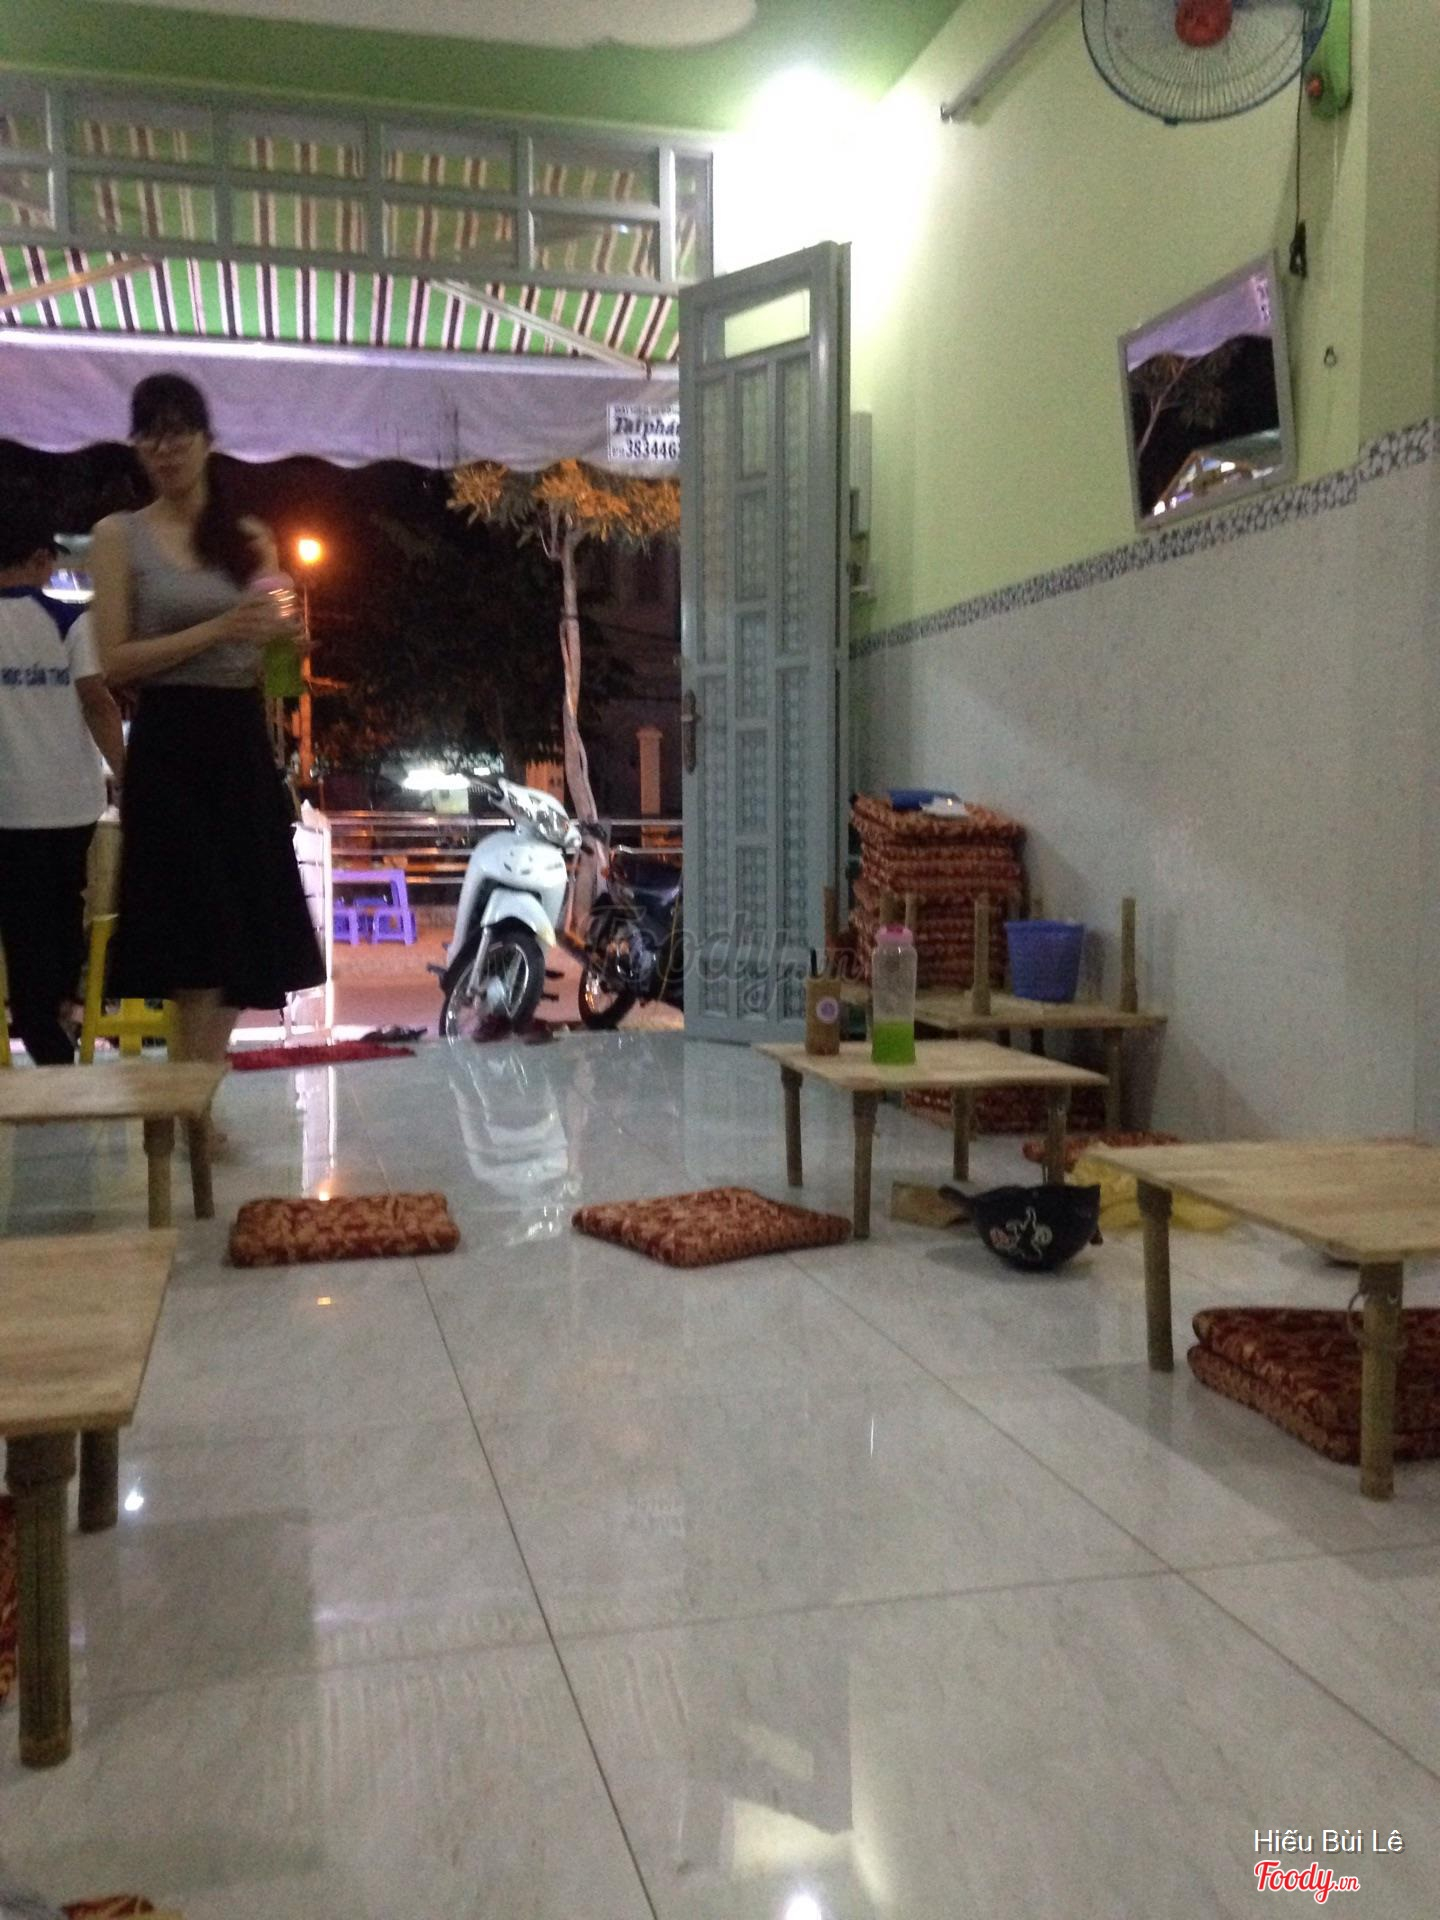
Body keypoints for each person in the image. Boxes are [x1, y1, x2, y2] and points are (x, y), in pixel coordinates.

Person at [90, 373, 324, 1067]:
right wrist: (222, 627)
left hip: (238, 739)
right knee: (188, 935)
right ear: (137, 447)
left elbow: (269, 669)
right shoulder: (118, 535)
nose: (165, 450)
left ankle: (192, 1096)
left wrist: (284, 650)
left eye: (178, 434)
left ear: (206, 441)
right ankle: (182, 1098)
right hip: (168, 742)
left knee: (239, 939)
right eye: (149, 436)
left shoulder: (249, 537)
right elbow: (115, 660)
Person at [0, 506, 126, 1064]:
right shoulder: (71, 619)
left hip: (7, 806)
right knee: (65, 908)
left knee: (20, 919)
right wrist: (126, 773)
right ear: (39, 559)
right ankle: (57, 1020)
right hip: (70, 802)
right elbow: (97, 702)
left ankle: (39, 1024)